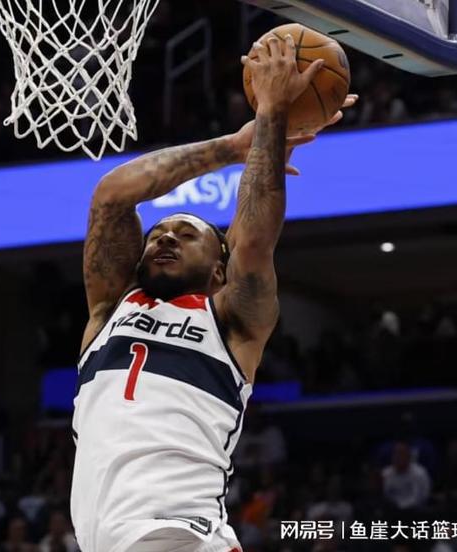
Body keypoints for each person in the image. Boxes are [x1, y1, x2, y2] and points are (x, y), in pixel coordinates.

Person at [71, 34, 357, 552]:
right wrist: (231, 147)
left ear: (220, 271)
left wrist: (271, 113)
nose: (165, 238)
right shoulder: (109, 311)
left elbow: (253, 241)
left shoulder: (230, 323)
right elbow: (111, 195)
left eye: (187, 235)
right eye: (159, 233)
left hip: (179, 534)